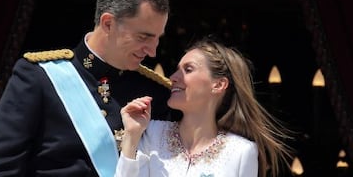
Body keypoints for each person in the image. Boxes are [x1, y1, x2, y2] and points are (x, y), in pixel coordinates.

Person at [0, 0, 179, 176]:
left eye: (157, 39)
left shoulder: (155, 93)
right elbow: (3, 170)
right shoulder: (39, 77)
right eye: (143, 37)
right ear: (108, 23)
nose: (153, 51)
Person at [116, 37, 293, 177]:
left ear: (218, 85)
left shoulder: (241, 152)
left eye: (188, 69)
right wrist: (131, 137)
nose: (174, 77)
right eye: (178, 69)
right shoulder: (152, 132)